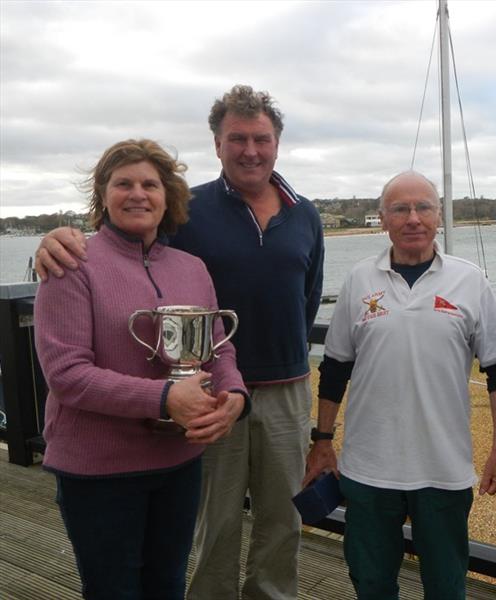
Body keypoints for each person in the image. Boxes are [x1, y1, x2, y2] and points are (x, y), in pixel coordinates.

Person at [34, 85, 325, 600]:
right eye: (238, 138)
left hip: (275, 390)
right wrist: (55, 240)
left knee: (283, 521)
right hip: (196, 401)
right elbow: (126, 251)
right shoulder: (191, 212)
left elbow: (306, 299)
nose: (250, 149)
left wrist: (245, 384)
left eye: (261, 138)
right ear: (217, 144)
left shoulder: (305, 214)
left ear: (277, 143)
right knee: (213, 529)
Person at [33, 139, 248, 600]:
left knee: (168, 585)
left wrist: (234, 397)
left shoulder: (192, 267)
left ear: (167, 196)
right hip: (99, 468)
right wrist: (165, 398)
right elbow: (67, 375)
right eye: (123, 183)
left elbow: (217, 349)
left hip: (179, 461)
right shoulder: (70, 264)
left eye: (150, 184)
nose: (137, 194)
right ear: (103, 194)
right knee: (113, 590)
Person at [303, 171, 496, 600]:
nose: (413, 218)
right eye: (400, 209)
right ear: (382, 219)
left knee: (446, 585)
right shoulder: (359, 280)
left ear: (439, 215)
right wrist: (323, 439)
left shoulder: (470, 280)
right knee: (371, 582)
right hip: (367, 468)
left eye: (424, 207)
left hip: (444, 468)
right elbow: (336, 367)